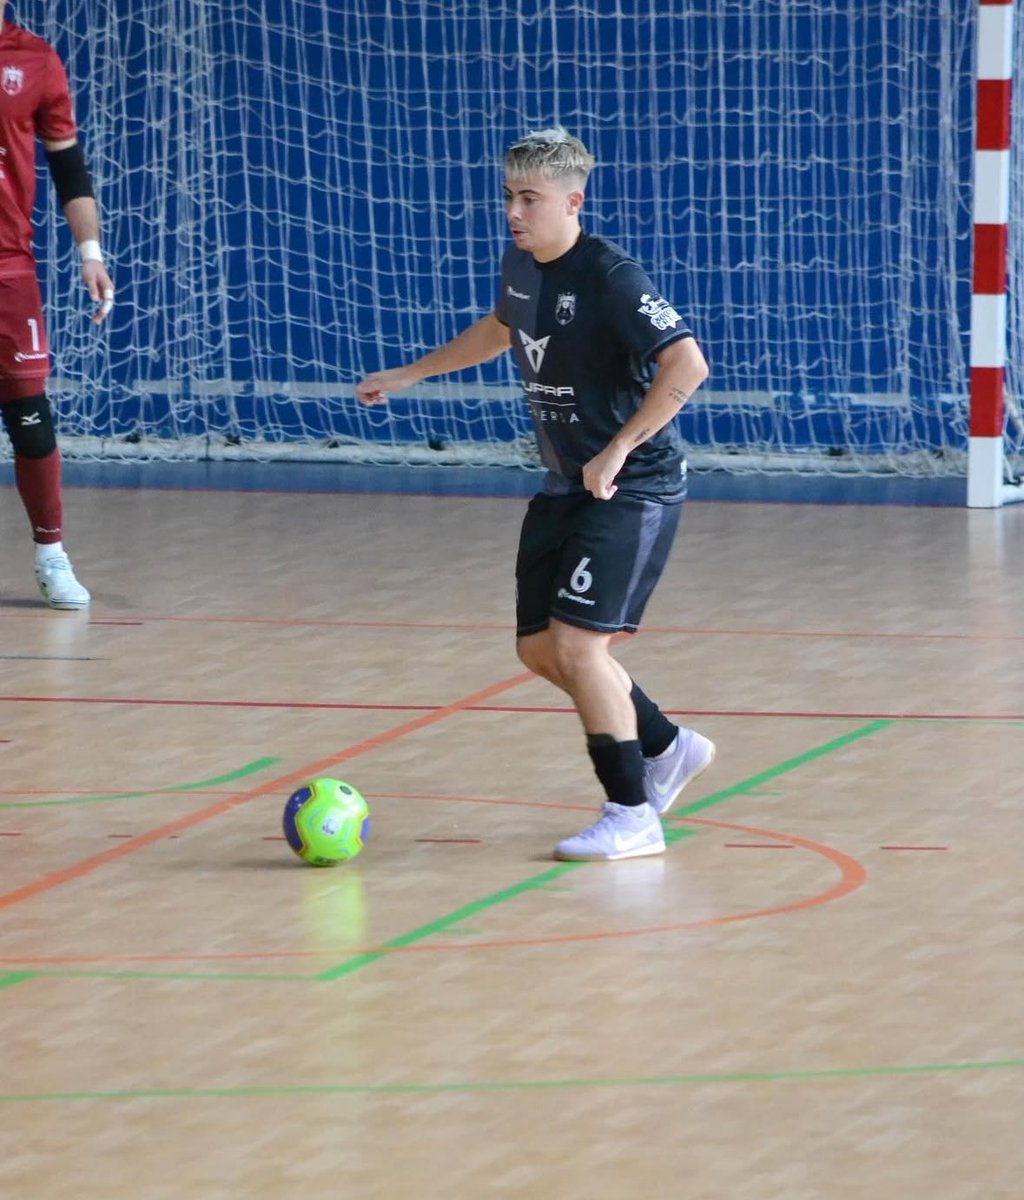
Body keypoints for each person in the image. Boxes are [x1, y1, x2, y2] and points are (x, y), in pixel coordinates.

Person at [357, 128, 715, 861]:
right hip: (566, 482)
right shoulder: (521, 266)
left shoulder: (613, 276)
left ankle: (631, 813)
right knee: (537, 649)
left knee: (581, 646)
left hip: (632, 485)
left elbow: (688, 364)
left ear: (572, 201)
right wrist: (410, 373)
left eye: (530, 199)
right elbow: (499, 330)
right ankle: (668, 746)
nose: (514, 213)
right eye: (508, 197)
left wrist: (620, 446)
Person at [0, 7, 114, 609]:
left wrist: (90, 253)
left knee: (30, 416)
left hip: (7, 268)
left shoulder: (35, 59)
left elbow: (68, 167)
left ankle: (51, 555)